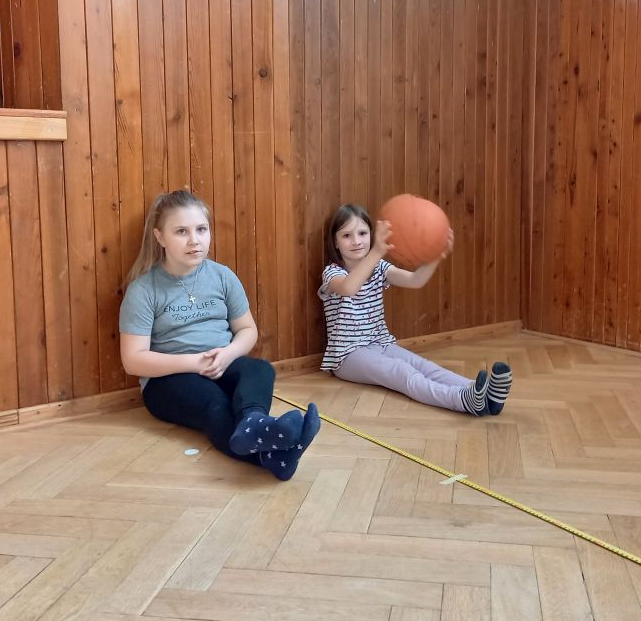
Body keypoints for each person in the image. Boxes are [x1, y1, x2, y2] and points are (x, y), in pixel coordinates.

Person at [120, 190, 319, 480]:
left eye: (201, 229)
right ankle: (270, 456)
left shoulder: (222, 276)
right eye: (181, 231)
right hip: (168, 380)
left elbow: (247, 330)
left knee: (260, 369)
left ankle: (253, 424)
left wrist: (228, 354)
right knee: (216, 405)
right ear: (160, 237)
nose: (194, 240)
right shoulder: (143, 290)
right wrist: (194, 363)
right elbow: (133, 360)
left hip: (220, 364)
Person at [319, 203, 512, 415]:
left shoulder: (379, 268)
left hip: (381, 343)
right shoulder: (332, 273)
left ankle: (484, 395)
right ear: (335, 242)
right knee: (402, 372)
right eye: (346, 236)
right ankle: (461, 400)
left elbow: (415, 280)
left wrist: (436, 255)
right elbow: (348, 288)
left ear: (370, 235)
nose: (356, 241)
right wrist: (377, 251)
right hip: (347, 356)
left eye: (362, 233)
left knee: (424, 366)